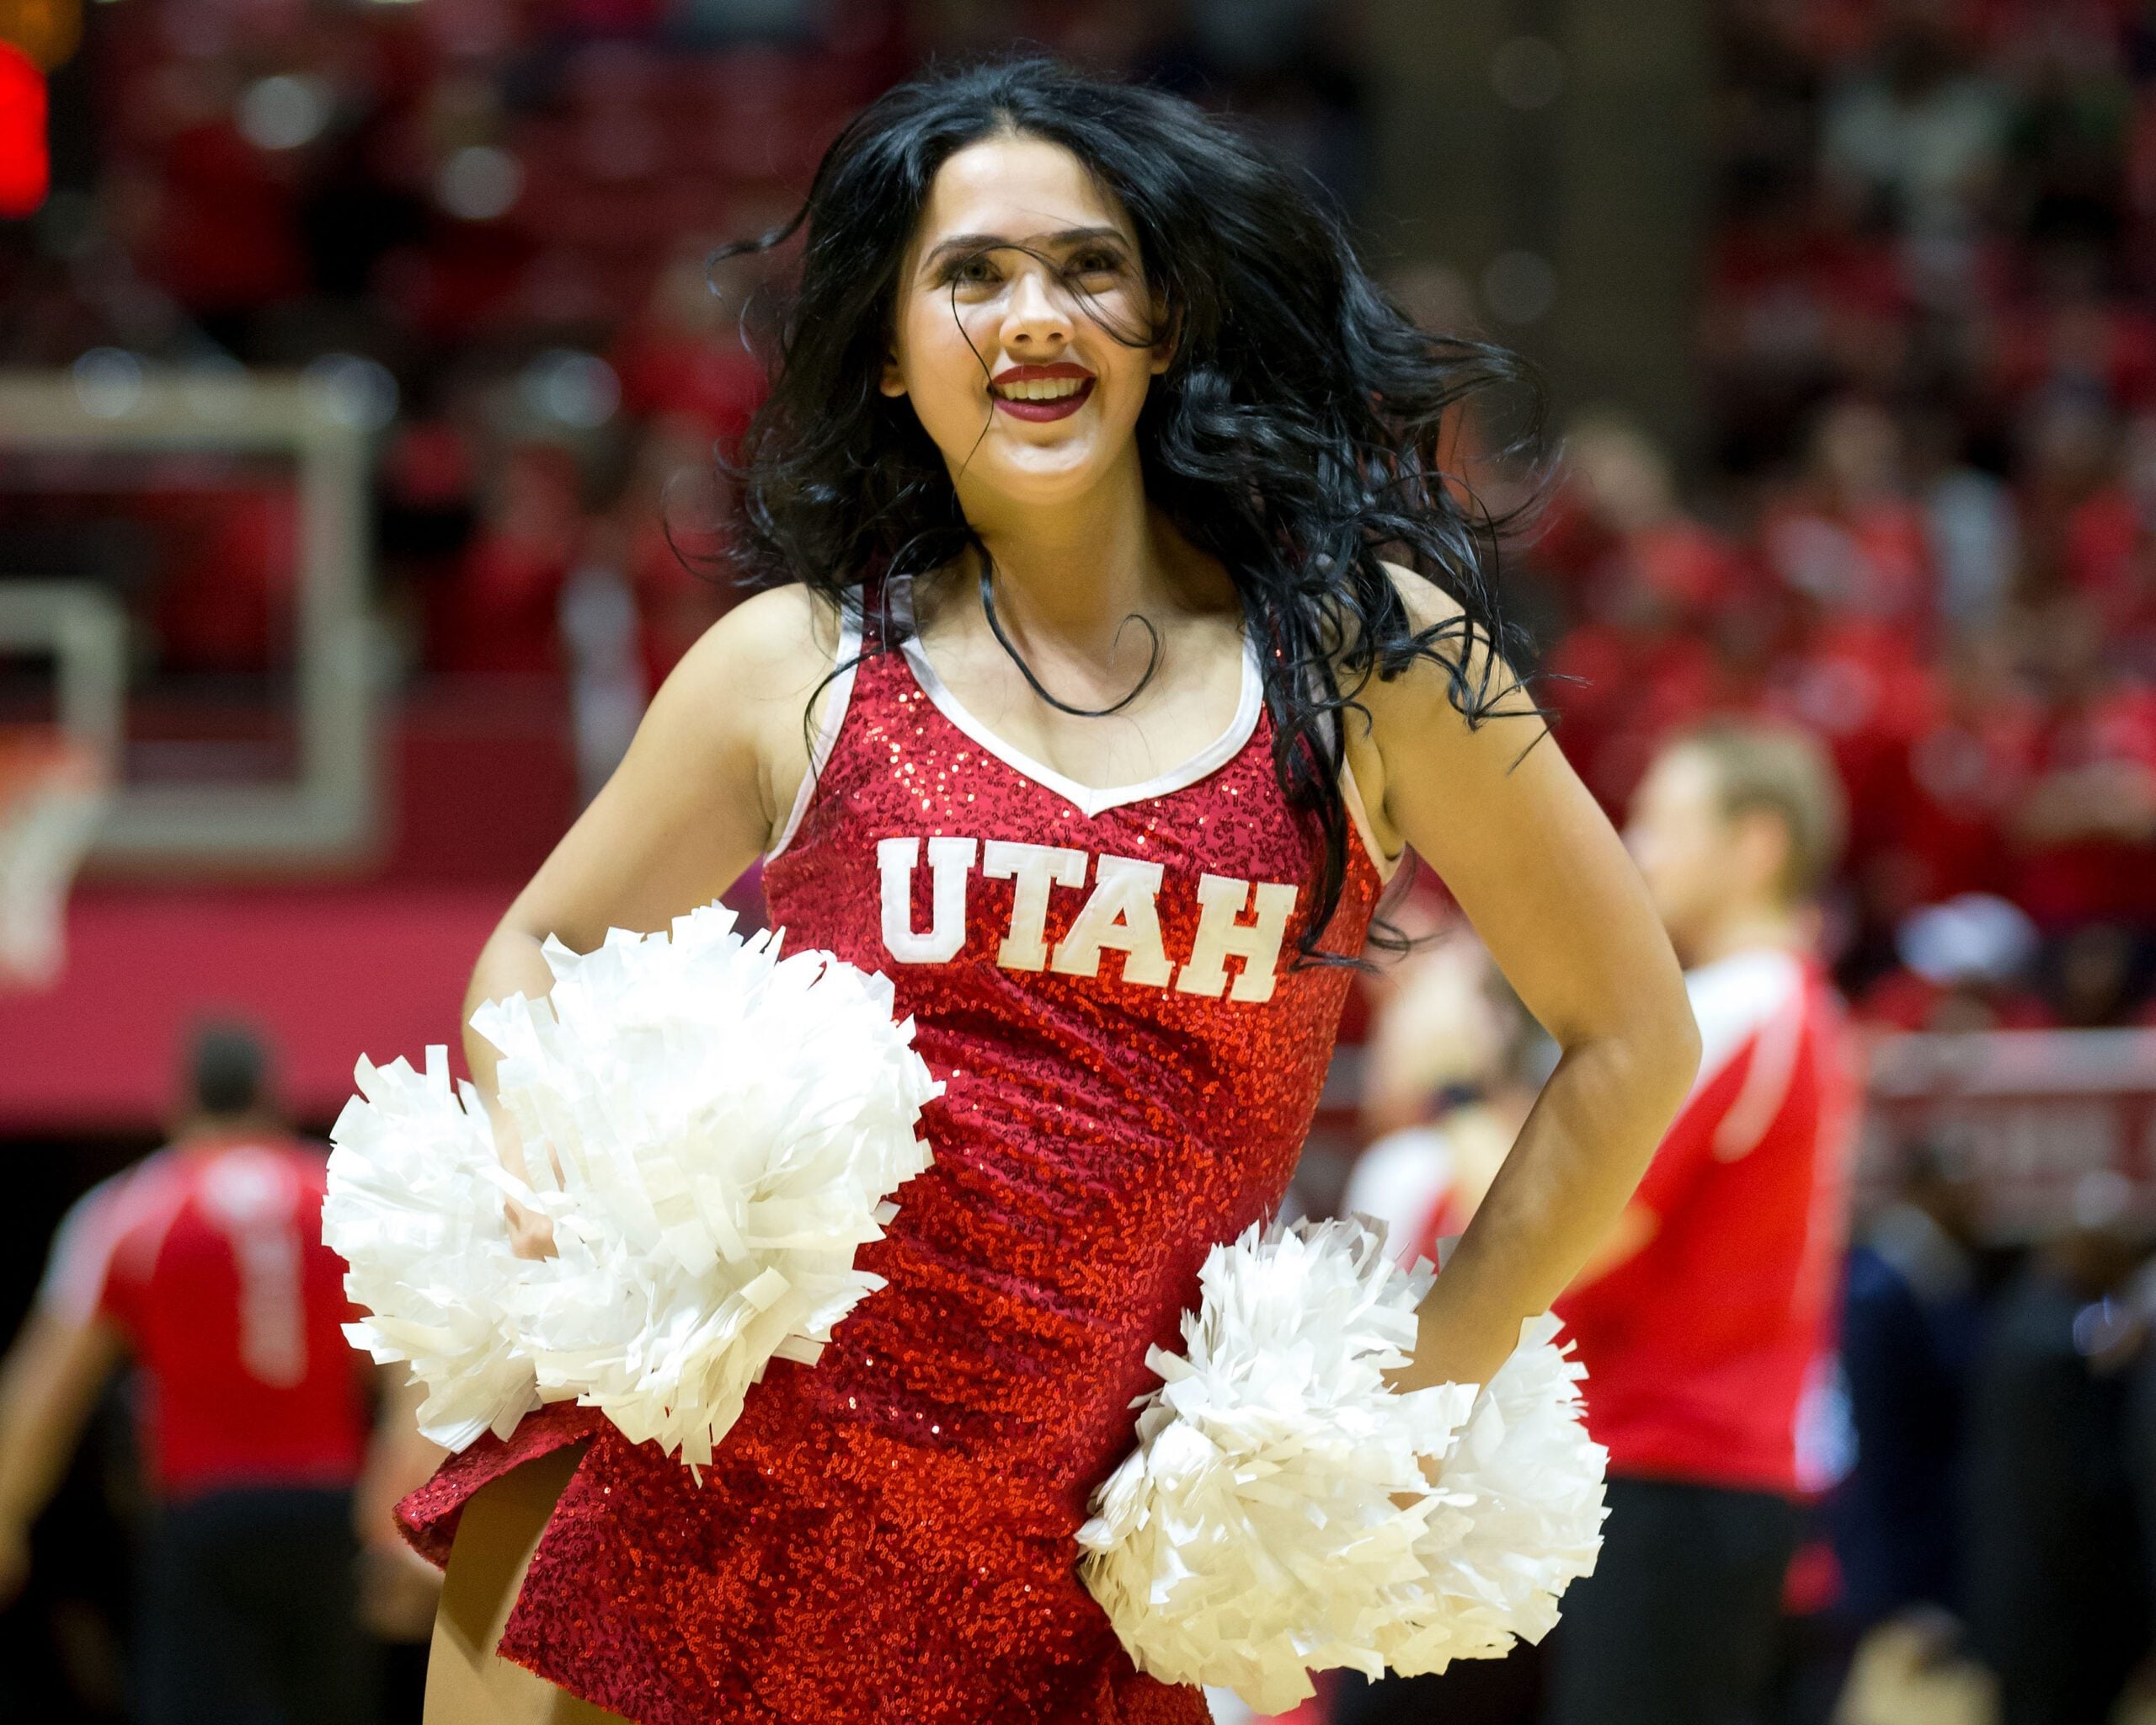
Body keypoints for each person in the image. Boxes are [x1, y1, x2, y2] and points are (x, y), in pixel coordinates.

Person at [398, 60, 1702, 1725]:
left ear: (1165, 325)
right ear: (884, 349)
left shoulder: (1364, 663)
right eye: (970, 273)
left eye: (1089, 268)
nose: (1033, 313)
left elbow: (1629, 1037)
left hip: (1098, 1597)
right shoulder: (790, 666)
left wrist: (1401, 1393)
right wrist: (555, 1180)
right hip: (697, 1533)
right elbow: (540, 943)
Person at [1544, 720, 1862, 1725]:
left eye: (1664, 821)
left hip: (1672, 1466)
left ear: (1755, 843)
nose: (1637, 847)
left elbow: (1579, 1226)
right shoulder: (1796, 1004)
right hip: (1721, 1468)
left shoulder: (1733, 1002)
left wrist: (1463, 1110)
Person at [0, 1023, 381, 1725]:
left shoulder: (131, 1209)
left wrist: (8, 1510)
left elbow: (47, 1387)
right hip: (328, 1506)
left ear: (179, 1104)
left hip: (202, 1510)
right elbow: (404, 1361)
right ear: (272, 1099)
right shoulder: (341, 1201)